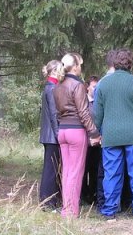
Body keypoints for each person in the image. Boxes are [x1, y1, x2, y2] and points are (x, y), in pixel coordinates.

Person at [94, 48, 133, 221]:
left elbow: (97, 114)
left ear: (114, 63)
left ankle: (109, 211)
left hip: (111, 135)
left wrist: (95, 133)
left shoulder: (103, 84)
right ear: (130, 64)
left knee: (111, 173)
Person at [54, 53, 101, 218]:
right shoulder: (78, 85)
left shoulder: (58, 85)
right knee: (75, 172)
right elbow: (83, 112)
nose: (80, 67)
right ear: (74, 67)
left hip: (62, 131)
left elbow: (57, 112)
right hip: (76, 132)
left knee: (67, 171)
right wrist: (94, 132)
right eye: (79, 65)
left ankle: (66, 208)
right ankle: (71, 211)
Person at [38, 60, 63, 211]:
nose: (62, 72)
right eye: (60, 69)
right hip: (52, 136)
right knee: (51, 170)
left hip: (49, 135)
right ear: (54, 71)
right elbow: (54, 114)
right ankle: (48, 203)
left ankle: (50, 201)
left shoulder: (49, 86)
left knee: (51, 169)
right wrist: (58, 133)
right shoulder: (52, 88)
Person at [81, 75, 101, 204]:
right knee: (84, 169)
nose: (96, 89)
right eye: (94, 87)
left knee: (95, 169)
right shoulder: (83, 102)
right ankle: (83, 194)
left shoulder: (99, 102)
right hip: (85, 141)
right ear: (88, 87)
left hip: (98, 142)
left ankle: (93, 195)